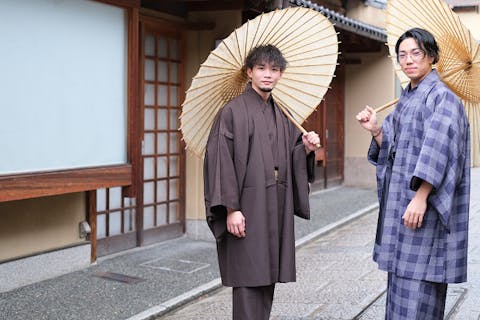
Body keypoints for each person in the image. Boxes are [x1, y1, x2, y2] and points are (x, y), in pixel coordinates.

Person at [356, 28, 470, 319]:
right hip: (402, 207)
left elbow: (439, 151)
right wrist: (377, 130)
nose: (408, 60)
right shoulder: (406, 99)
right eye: (402, 55)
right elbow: (392, 150)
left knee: (419, 289)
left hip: (424, 208)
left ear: (431, 56)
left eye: (415, 53)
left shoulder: (442, 98)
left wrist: (420, 197)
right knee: (401, 285)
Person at [203, 44, 320, 319]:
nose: (268, 75)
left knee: (267, 275)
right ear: (249, 72)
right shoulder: (231, 112)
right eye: (261, 68)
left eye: (275, 69)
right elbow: (221, 163)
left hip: (274, 204)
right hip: (246, 205)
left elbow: (291, 155)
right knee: (247, 278)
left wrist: (305, 149)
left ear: (280, 74)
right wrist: (231, 209)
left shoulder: (283, 113)